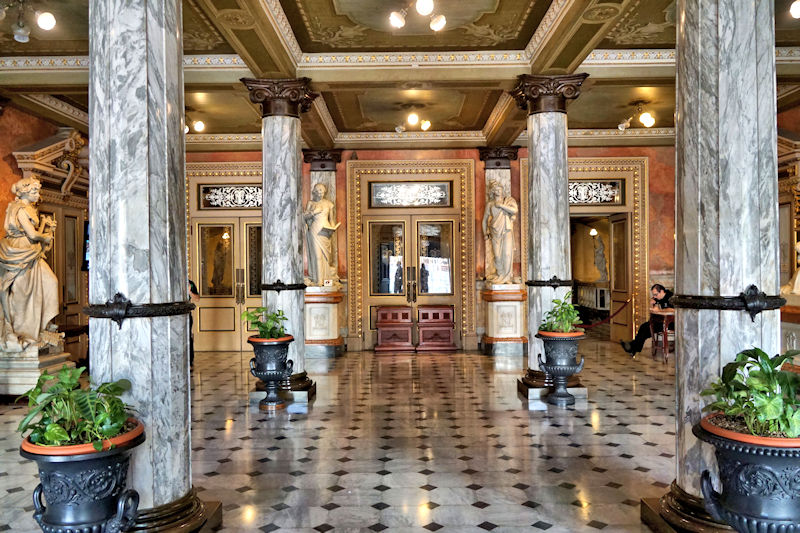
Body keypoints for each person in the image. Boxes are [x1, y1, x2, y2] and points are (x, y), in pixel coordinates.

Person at [0, 175, 58, 350]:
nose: (38, 195)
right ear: (25, 192)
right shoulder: (19, 209)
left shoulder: (29, 208)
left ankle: (43, 325)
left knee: (51, 281)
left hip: (32, 251)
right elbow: (32, 234)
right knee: (23, 293)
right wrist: (45, 236)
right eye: (34, 192)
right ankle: (25, 332)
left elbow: (33, 234)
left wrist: (46, 228)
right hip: (19, 251)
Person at [620, 283, 674, 356]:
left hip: (670, 323)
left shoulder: (670, 297)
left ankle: (632, 348)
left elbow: (673, 310)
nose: (654, 297)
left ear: (661, 291)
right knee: (644, 327)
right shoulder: (659, 298)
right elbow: (653, 304)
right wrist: (652, 302)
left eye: (656, 294)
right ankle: (633, 348)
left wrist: (659, 310)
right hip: (661, 321)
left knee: (646, 328)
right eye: (653, 295)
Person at [482, 181, 518, 284]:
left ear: (502, 190)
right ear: (493, 192)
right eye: (495, 190)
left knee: (507, 254)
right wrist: (485, 233)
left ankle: (507, 277)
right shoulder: (490, 204)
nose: (498, 191)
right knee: (497, 255)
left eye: (499, 189)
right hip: (494, 231)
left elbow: (514, 210)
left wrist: (501, 206)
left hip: (506, 230)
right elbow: (484, 220)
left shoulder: (508, 201)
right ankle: (500, 274)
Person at [303, 183, 339, 285]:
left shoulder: (329, 204)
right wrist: (314, 212)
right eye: (318, 191)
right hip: (315, 230)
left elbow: (331, 220)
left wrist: (333, 228)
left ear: (324, 192)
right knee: (317, 255)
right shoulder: (311, 203)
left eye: (322, 191)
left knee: (326, 257)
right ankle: (319, 280)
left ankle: (325, 279)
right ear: (314, 192)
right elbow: (304, 217)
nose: (320, 193)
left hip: (325, 231)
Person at [188, 279, 199, 368]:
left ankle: (190, 361)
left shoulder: (190, 283)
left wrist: (189, 292)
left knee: (188, 336)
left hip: (186, 314)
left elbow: (197, 298)